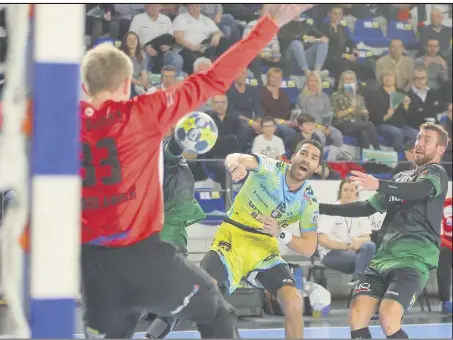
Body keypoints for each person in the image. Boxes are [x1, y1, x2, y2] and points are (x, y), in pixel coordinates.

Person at [78, 4, 314, 339]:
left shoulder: (65, 120)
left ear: (86, 88)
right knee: (217, 315)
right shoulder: (146, 110)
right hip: (142, 254)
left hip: (92, 266)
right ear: (129, 82)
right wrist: (270, 23)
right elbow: (215, 76)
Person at [319, 122, 449, 339]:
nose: (419, 143)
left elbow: (419, 190)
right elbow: (366, 207)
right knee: (357, 313)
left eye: (427, 140)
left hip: (414, 257)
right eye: (419, 138)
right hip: (384, 257)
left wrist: (379, 184)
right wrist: (319, 207)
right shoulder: (399, 178)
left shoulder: (436, 173)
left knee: (389, 317)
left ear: (440, 149)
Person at [200, 140, 322, 339]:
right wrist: (235, 166)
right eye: (303, 153)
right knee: (207, 290)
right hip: (233, 237)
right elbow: (235, 157)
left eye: (313, 158)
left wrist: (281, 232)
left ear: (316, 168)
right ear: (293, 157)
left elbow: (309, 247)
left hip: (265, 248)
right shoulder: (270, 168)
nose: (307, 159)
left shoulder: (308, 200)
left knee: (294, 301)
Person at [143, 135, 206, 339]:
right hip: (168, 227)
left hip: (168, 224)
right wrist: (188, 133)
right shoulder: (162, 149)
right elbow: (173, 147)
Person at [317, 179, 375, 286]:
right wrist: (347, 247)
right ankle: (361, 281)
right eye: (345, 190)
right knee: (367, 263)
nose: (348, 193)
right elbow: (322, 240)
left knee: (370, 246)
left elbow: (367, 238)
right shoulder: (331, 210)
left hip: (355, 251)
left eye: (351, 190)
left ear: (356, 195)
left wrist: (359, 241)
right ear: (340, 193)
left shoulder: (361, 211)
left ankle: (357, 278)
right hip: (332, 253)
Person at [438, 196, 452, 315]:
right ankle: (446, 301)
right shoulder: (443, 206)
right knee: (444, 253)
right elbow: (440, 237)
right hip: (449, 248)